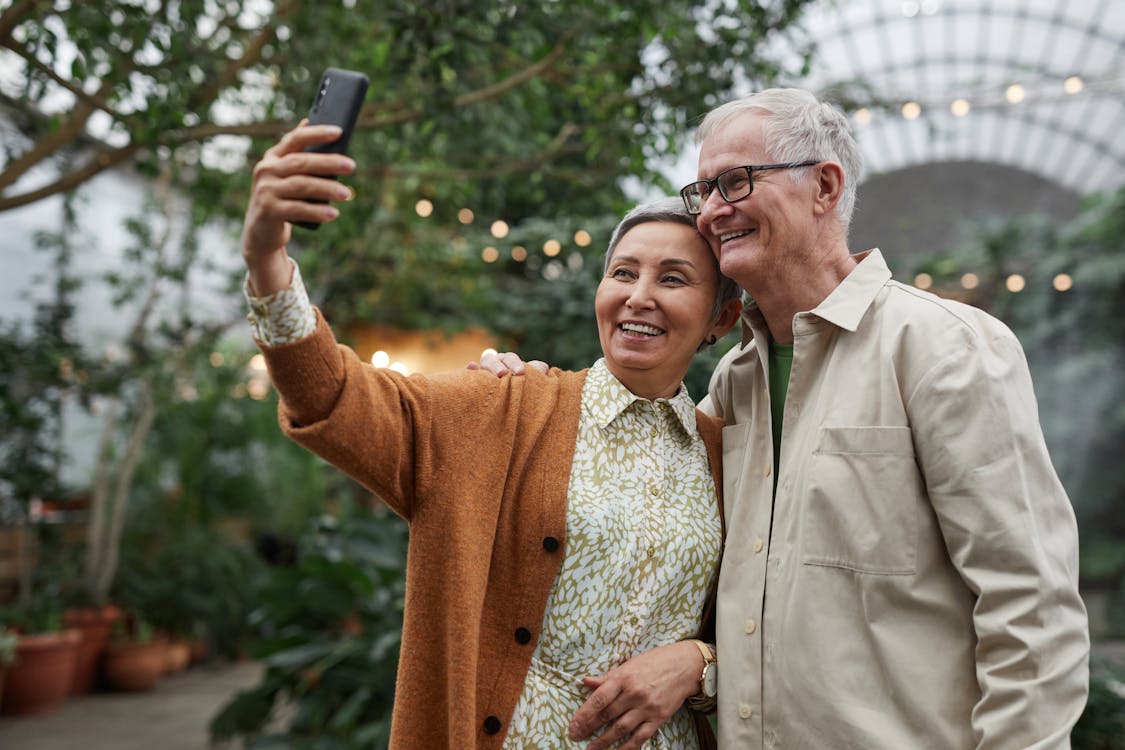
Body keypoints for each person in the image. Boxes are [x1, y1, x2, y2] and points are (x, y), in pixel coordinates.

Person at [482, 88, 1091, 749]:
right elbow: (717, 583)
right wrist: (529, 398)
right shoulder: (732, 385)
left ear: (824, 187)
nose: (712, 212)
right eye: (703, 190)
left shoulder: (943, 348)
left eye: (735, 182)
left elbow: (1030, 611)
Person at [239, 122, 744, 749]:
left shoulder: (731, 455)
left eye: (672, 279)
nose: (638, 297)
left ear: (721, 316)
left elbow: (766, 624)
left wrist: (701, 663)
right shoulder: (502, 410)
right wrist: (266, 258)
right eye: (622, 273)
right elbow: (332, 397)